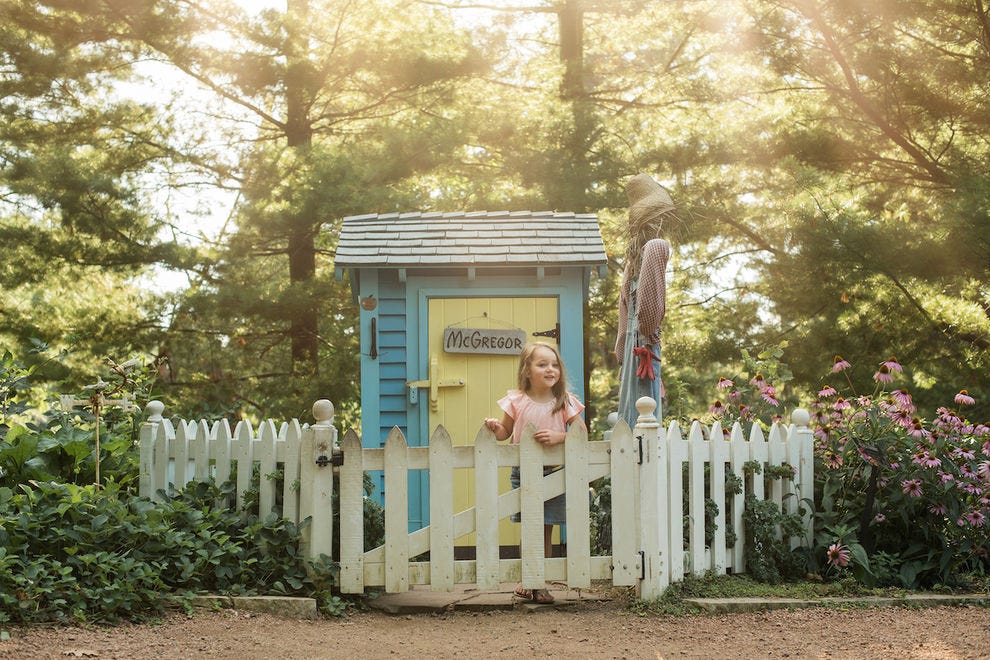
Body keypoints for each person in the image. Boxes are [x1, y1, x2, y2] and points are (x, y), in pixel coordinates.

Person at [484, 341, 585, 604]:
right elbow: (506, 433)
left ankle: (540, 584)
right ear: (527, 371)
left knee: (546, 529)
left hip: (552, 472)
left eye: (554, 364)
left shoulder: (564, 401)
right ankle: (527, 580)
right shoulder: (516, 401)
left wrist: (559, 436)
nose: (550, 369)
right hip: (523, 473)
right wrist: (496, 428)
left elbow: (581, 432)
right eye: (542, 364)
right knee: (529, 528)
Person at [616, 173, 677, 431]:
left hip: (632, 346)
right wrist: (650, 335)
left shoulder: (633, 259)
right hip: (645, 346)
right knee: (647, 420)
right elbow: (650, 314)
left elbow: (623, 317)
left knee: (631, 416)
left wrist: (622, 353)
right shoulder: (657, 247)